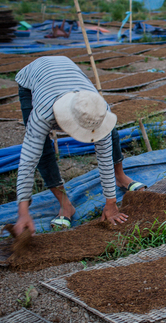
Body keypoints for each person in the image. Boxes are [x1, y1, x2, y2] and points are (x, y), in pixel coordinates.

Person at [13, 56, 146, 235]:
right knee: (42, 150)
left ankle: (120, 176)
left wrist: (111, 203)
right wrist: (23, 212)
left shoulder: (98, 108)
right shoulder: (43, 114)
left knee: (110, 131)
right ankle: (65, 205)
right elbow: (28, 160)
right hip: (34, 79)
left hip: (66, 69)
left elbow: (104, 155)